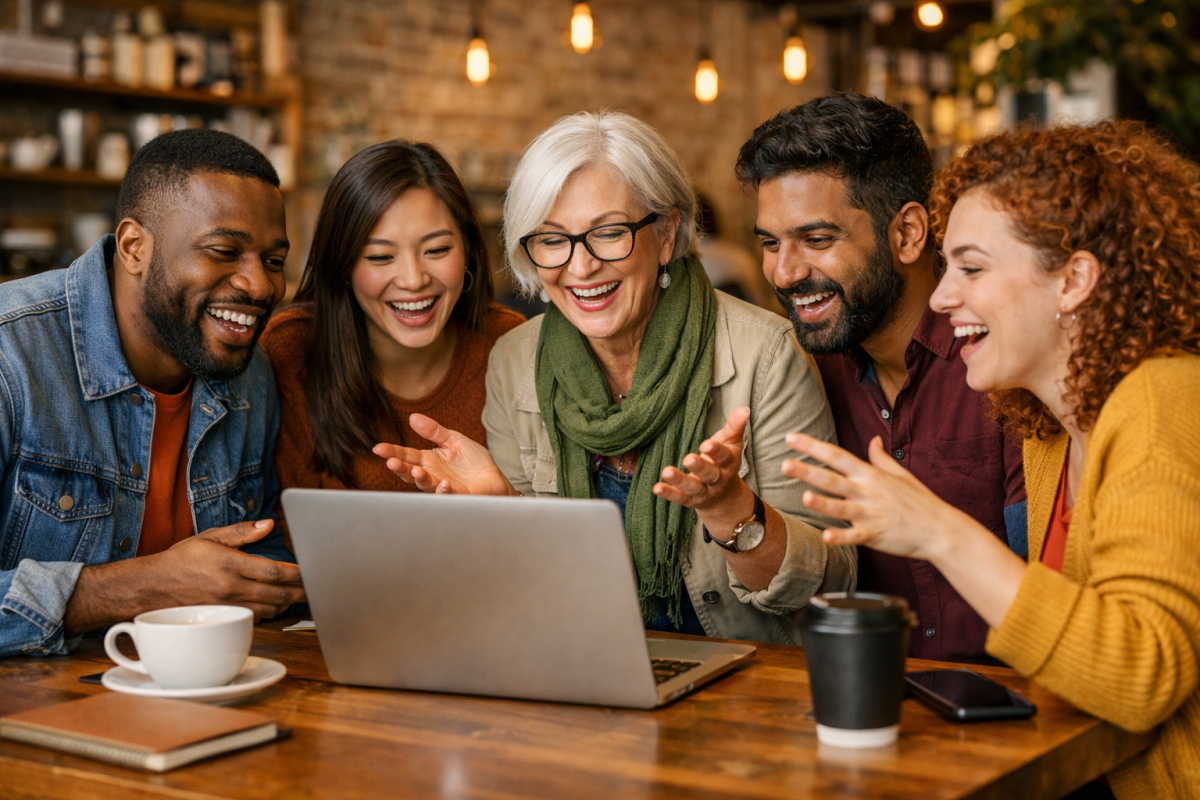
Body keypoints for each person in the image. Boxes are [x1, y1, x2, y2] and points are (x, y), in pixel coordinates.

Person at [785, 121, 1200, 798]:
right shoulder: (1047, 430)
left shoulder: (1162, 397)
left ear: (1074, 280)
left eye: (971, 268)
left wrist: (939, 532)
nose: (943, 297)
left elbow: (1142, 678)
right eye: (946, 267)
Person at [374, 111, 854, 645]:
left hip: (744, 681)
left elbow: (832, 585)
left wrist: (732, 511)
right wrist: (504, 512)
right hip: (582, 664)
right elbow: (533, 599)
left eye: (607, 233)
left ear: (667, 233)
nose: (581, 268)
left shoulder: (768, 355)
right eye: (552, 240)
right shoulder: (514, 363)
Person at [735, 92, 1025, 665]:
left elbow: (1050, 585)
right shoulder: (796, 373)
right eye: (770, 243)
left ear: (909, 233)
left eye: (817, 240)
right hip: (858, 703)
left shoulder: (1005, 363)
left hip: (1015, 711)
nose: (786, 272)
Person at [0, 129, 304, 657]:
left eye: (273, 261)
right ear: (134, 247)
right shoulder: (12, 356)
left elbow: (265, 562)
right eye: (223, 251)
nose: (259, 286)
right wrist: (144, 587)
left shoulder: (251, 375)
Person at [260, 141, 522, 498]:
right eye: (381, 257)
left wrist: (507, 501)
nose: (413, 280)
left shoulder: (511, 345)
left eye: (437, 250)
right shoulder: (292, 348)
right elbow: (284, 526)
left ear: (468, 253)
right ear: (343, 266)